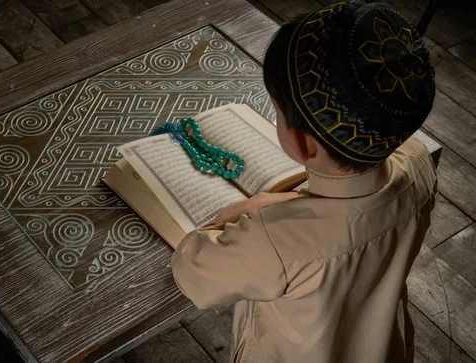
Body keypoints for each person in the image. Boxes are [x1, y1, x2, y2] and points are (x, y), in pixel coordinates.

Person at [171, 1, 437, 362]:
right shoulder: (419, 163)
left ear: (301, 142)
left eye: (277, 112)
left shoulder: (272, 243)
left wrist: (248, 207)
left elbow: (192, 270)